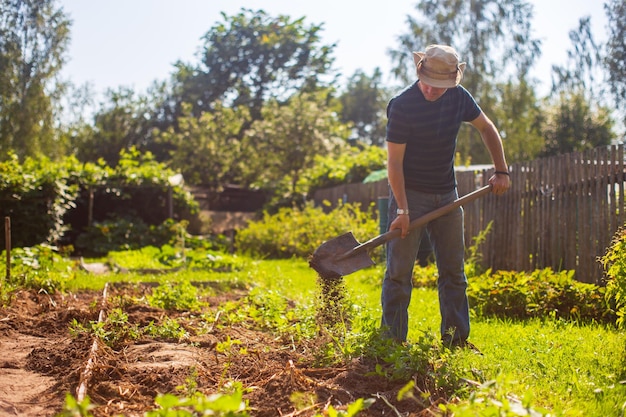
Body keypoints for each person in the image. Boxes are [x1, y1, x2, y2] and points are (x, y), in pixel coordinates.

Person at [381, 44, 510, 349]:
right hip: (409, 195)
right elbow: (394, 164)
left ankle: (456, 340)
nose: (432, 90)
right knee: (399, 272)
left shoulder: (458, 97)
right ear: (419, 72)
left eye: (440, 86)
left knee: (454, 272)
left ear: (452, 82)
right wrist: (402, 209)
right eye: (428, 82)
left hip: (448, 196)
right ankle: (391, 341)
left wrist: (501, 170)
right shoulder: (402, 106)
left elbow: (487, 128)